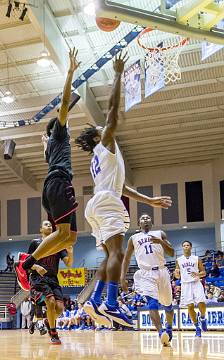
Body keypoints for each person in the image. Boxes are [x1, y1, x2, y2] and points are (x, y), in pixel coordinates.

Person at [75, 52, 172, 328]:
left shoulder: (101, 156)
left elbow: (122, 187)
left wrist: (149, 200)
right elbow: (113, 113)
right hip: (106, 202)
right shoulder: (103, 141)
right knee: (117, 254)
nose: (103, 127)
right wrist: (117, 74)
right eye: (100, 128)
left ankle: (95, 300)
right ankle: (112, 303)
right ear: (97, 135)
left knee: (110, 256)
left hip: (98, 202)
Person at [14, 48, 80, 291]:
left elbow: (45, 150)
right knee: (63, 232)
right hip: (58, 183)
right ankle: (28, 263)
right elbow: (64, 103)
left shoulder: (51, 146)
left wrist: (45, 140)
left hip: (57, 185)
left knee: (70, 237)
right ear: (59, 128)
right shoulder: (59, 135)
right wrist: (70, 73)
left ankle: (33, 260)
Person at [121, 213, 174, 346]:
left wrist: (161, 242)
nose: (145, 219)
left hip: (162, 271)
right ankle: (161, 332)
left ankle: (169, 327)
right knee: (152, 303)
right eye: (142, 218)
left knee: (168, 306)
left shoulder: (160, 233)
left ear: (152, 222)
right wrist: (122, 277)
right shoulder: (133, 238)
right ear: (139, 224)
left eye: (148, 218)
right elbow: (126, 258)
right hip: (146, 273)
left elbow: (172, 253)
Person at [28, 220, 73, 345]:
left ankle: (49, 321)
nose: (49, 226)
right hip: (39, 278)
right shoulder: (35, 243)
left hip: (53, 279)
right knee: (50, 301)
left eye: (50, 225)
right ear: (41, 229)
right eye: (46, 224)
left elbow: (68, 263)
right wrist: (36, 267)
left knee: (59, 308)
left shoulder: (58, 245)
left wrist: (70, 251)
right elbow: (26, 263)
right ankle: (53, 333)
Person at [175, 241, 207, 337]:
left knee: (201, 303)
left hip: (196, 282)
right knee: (190, 306)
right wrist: (176, 274)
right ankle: (197, 327)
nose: (186, 247)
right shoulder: (178, 260)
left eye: (187, 245)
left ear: (191, 247)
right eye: (184, 246)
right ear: (182, 248)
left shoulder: (197, 259)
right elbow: (177, 275)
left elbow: (204, 273)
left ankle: (203, 318)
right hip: (185, 284)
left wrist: (198, 274)